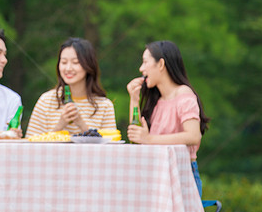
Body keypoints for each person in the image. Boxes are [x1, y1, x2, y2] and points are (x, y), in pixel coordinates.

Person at [126, 40, 210, 197]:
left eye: (145, 62)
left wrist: (149, 139)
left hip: (181, 175)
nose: (141, 69)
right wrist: (134, 99)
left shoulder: (184, 95)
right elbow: (136, 137)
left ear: (161, 64)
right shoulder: (158, 100)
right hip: (156, 174)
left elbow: (193, 135)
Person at [25, 37, 117, 137]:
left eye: (76, 62)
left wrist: (82, 124)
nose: (68, 68)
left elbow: (109, 149)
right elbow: (31, 145)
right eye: (64, 62)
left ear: (89, 66)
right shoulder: (46, 101)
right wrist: (60, 125)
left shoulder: (104, 106)